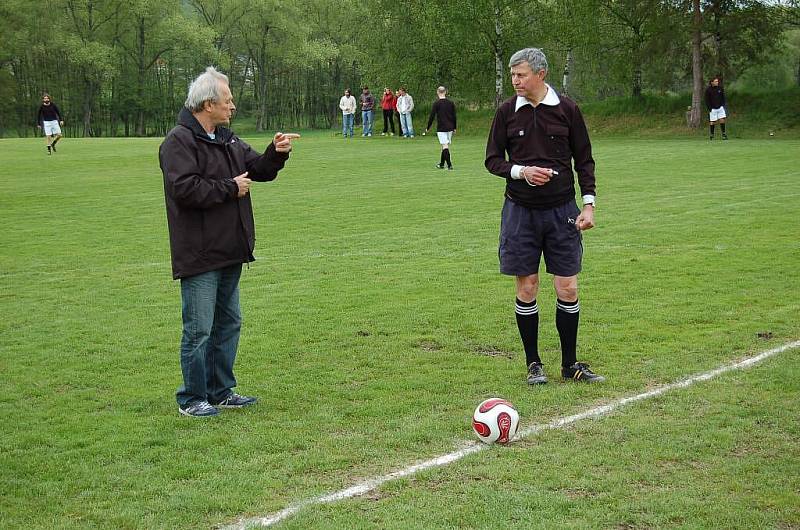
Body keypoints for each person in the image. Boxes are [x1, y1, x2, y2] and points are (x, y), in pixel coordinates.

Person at [159, 66, 299, 417]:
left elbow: (258, 169)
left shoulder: (226, 139)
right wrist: (229, 188)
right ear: (208, 104)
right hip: (199, 252)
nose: (232, 106)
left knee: (228, 322)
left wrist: (276, 151)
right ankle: (192, 398)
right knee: (199, 329)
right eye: (228, 100)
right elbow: (183, 188)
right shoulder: (179, 141)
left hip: (230, 248)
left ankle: (221, 391)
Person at [484, 47, 604, 385]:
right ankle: (533, 364)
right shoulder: (506, 112)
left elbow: (585, 160)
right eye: (512, 75)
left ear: (541, 74)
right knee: (528, 287)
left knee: (567, 287)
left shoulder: (567, 110)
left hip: (562, 211)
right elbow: (493, 160)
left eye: (521, 75)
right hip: (520, 212)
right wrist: (522, 172)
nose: (515, 81)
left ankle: (570, 365)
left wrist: (589, 204)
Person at [424, 86, 457, 170]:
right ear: (445, 92)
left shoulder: (436, 103)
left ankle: (449, 165)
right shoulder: (451, 103)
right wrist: (454, 127)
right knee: (444, 145)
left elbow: (432, 116)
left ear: (438, 92)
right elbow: (454, 116)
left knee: (445, 145)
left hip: (441, 128)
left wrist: (428, 127)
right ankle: (442, 164)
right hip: (450, 127)